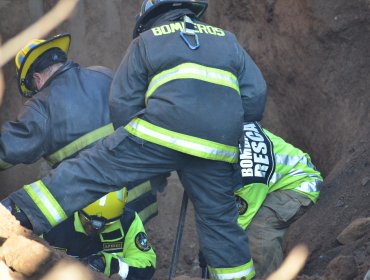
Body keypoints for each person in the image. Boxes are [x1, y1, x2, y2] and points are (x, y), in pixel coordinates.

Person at [4, 1, 267, 279]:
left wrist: (135, 149)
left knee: (91, 170)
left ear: (149, 17)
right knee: (220, 222)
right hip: (219, 143)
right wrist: (217, 130)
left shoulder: (146, 41)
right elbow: (255, 97)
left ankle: (13, 215)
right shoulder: (227, 40)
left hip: (161, 133)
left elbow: (123, 101)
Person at [0, 33, 158, 224]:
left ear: (36, 78)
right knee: (134, 250)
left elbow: (5, 149)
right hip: (141, 199)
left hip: (97, 214)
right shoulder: (104, 74)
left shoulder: (41, 106)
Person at [199, 122, 323, 279]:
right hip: (279, 176)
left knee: (260, 228)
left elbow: (234, 228)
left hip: (301, 184)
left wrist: (213, 251)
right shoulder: (228, 126)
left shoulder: (248, 177)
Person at [41, 188, 156, 280]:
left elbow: (147, 266)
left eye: (105, 224)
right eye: (86, 221)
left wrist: (111, 265)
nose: (93, 228)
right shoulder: (55, 221)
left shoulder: (128, 221)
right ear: (77, 209)